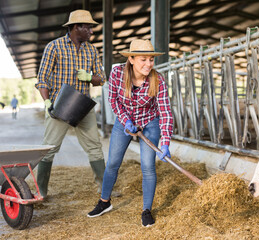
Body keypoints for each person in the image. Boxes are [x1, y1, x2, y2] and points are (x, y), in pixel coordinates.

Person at [87, 39, 173, 227]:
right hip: (124, 122)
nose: (148, 64)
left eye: (151, 59)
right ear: (132, 59)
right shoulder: (117, 73)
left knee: (148, 166)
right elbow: (113, 98)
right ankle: (104, 201)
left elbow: (165, 112)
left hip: (149, 122)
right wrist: (125, 119)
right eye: (143, 59)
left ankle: (146, 210)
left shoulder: (157, 79)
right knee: (113, 163)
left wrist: (165, 142)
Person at [35, 10, 106, 198]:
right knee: (49, 149)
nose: (91, 31)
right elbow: (42, 78)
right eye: (88, 27)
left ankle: (105, 189)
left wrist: (91, 77)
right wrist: (47, 101)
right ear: (76, 27)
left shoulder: (91, 50)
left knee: (94, 147)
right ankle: (41, 191)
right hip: (60, 105)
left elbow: (102, 78)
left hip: (82, 106)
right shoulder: (54, 47)